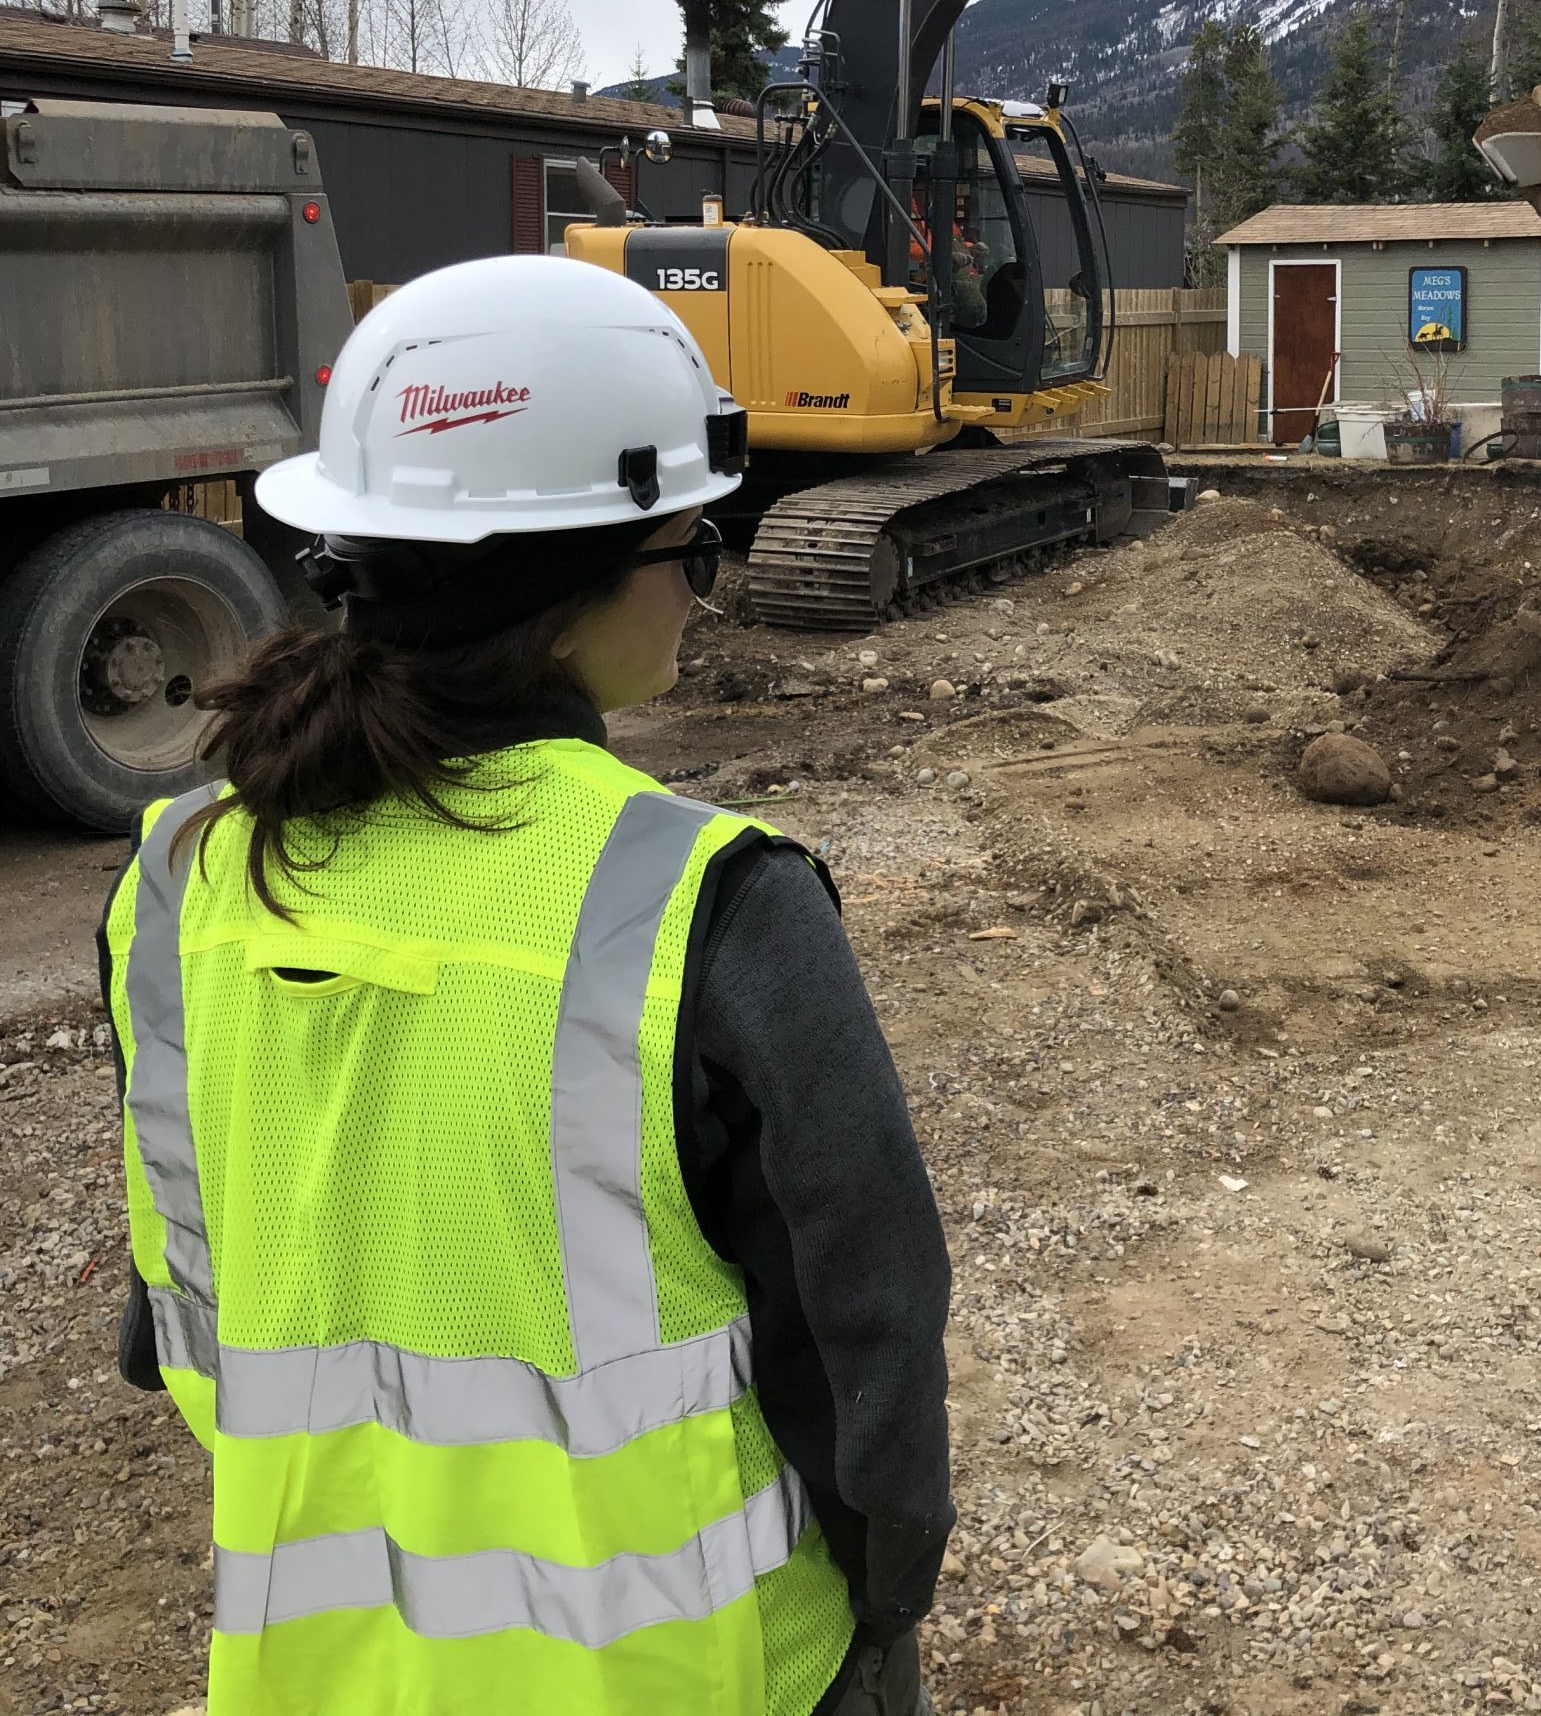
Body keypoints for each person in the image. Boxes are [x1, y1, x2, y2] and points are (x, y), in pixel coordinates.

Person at [100, 255, 952, 1715]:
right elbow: (865, 1337)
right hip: (695, 1674)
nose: (703, 591)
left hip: (320, 1666)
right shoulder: (709, 905)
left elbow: (176, 1316)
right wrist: (885, 1603)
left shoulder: (180, 883)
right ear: (566, 584)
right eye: (692, 551)